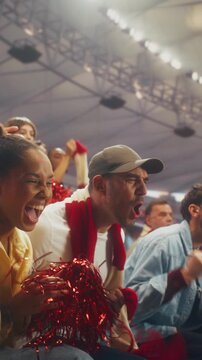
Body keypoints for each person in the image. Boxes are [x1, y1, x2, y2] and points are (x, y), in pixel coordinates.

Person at [29, 144, 163, 356]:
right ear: (100, 185)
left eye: (145, 181)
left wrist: (109, 304)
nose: (144, 191)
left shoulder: (115, 234)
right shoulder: (49, 226)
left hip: (85, 341)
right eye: (131, 180)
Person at [0, 130, 94, 360]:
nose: (45, 193)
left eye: (49, 183)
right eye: (33, 181)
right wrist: (13, 310)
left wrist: (39, 304)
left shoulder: (21, 243)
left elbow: (15, 334)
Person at [125, 184, 202, 360]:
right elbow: (132, 306)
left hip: (176, 331)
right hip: (143, 335)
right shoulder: (163, 243)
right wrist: (184, 276)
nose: (167, 218)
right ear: (194, 210)